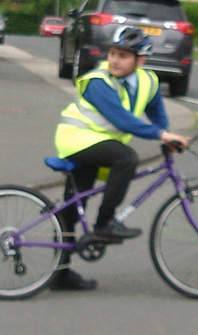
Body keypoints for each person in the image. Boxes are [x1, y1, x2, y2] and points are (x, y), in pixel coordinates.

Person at [51, 25, 189, 292]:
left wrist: (167, 135)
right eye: (112, 53)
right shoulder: (98, 82)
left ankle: (60, 275)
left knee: (72, 207)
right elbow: (122, 121)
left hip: (99, 145)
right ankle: (105, 223)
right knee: (127, 158)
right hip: (76, 140)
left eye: (123, 56)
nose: (114, 60)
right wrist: (161, 135)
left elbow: (157, 112)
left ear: (141, 61)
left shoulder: (148, 82)